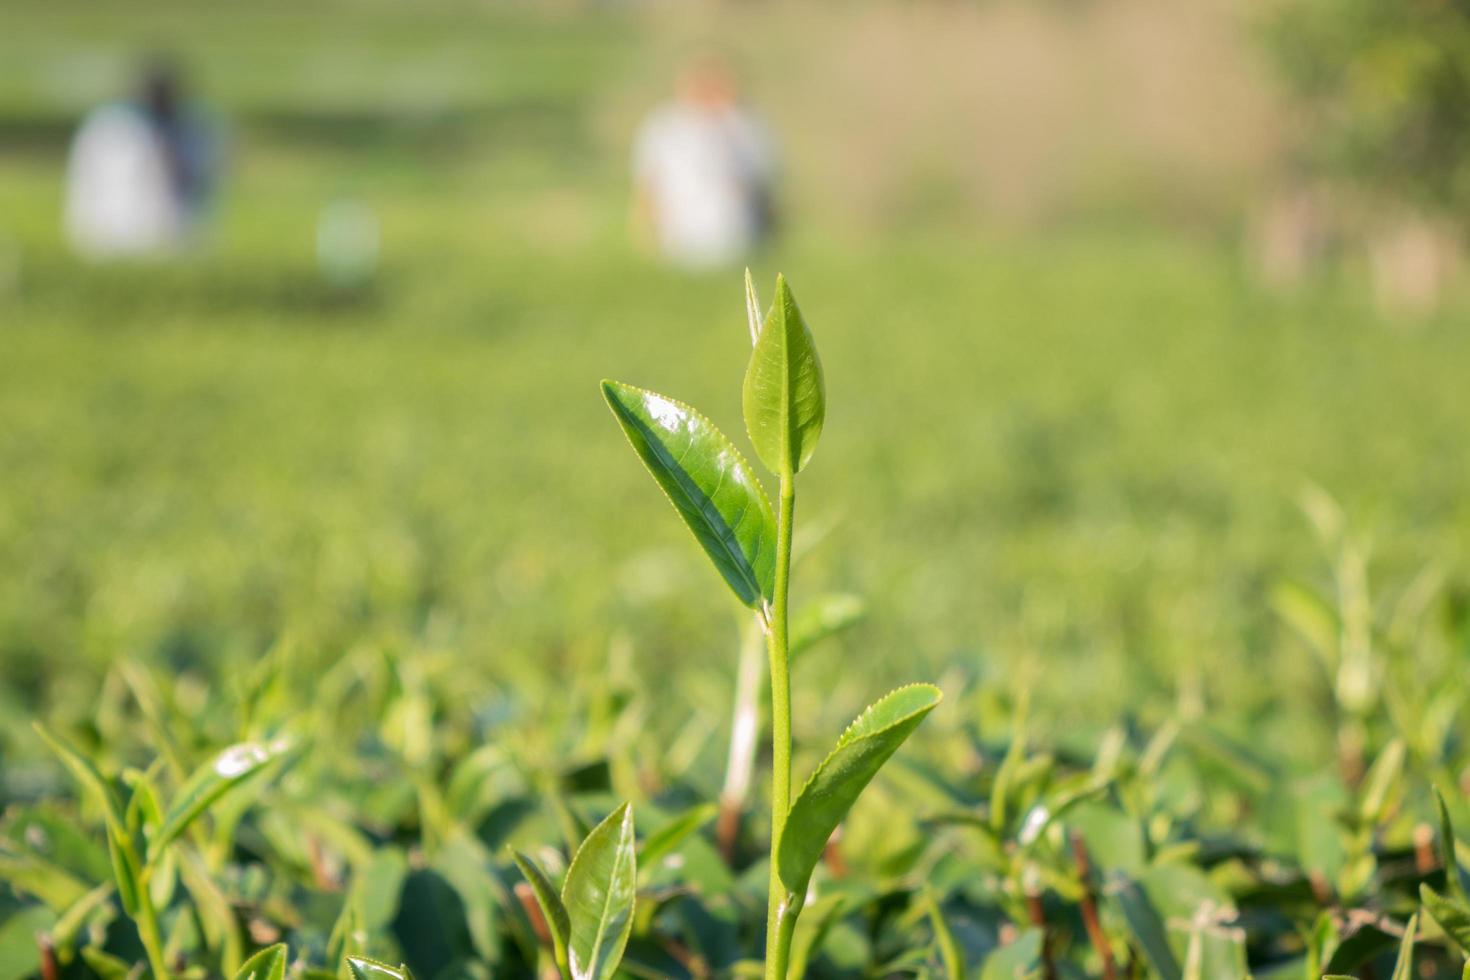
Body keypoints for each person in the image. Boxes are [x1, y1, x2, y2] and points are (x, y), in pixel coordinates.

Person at [64, 57, 219, 259]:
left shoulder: (194, 130)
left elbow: (202, 188)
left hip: (174, 239)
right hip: (113, 237)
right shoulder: (112, 129)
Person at [632, 55, 776, 268]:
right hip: (680, 240)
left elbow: (764, 186)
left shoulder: (745, 126)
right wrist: (645, 234)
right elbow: (649, 184)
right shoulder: (664, 126)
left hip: (735, 236)